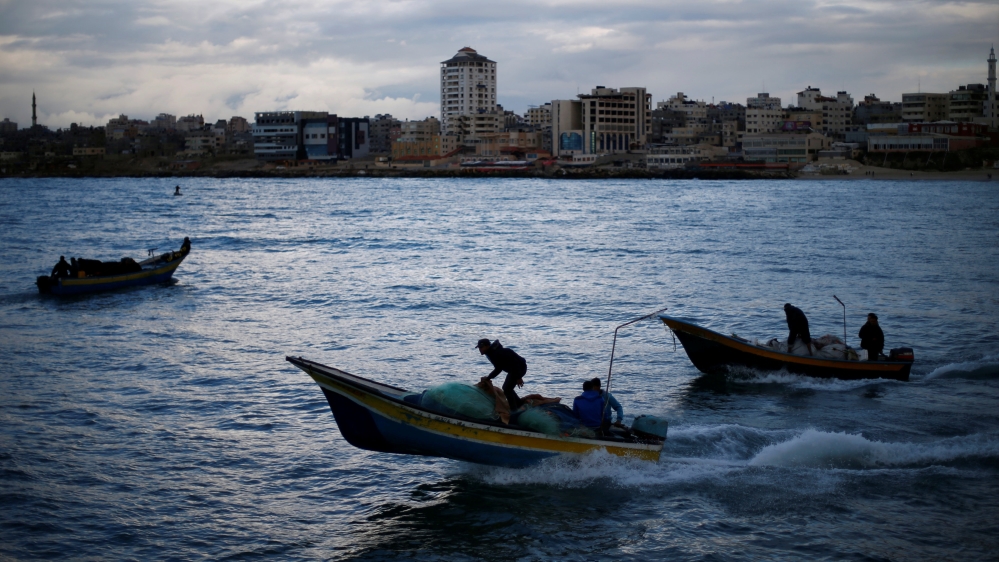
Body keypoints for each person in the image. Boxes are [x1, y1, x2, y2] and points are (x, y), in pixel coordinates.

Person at [477, 338, 527, 410]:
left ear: (488, 346)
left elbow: (511, 365)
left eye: (481, 347)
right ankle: (518, 403)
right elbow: (499, 367)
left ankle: (514, 410)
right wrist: (488, 378)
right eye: (479, 348)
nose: (480, 349)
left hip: (519, 368)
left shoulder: (497, 353)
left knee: (507, 389)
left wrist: (518, 377)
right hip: (513, 370)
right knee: (506, 388)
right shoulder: (491, 353)